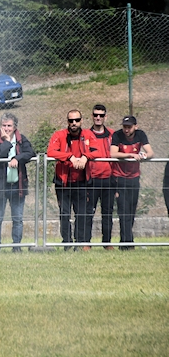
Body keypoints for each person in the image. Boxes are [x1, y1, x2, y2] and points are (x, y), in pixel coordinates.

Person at [0, 113, 35, 253]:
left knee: (18, 218)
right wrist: (7, 142)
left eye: (9, 126)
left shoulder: (21, 140)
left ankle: (16, 247)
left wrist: (17, 158)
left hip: (17, 185)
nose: (6, 128)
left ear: (15, 127)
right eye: (4, 126)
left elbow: (30, 152)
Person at [47, 110, 93, 250]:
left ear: (81, 121)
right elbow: (51, 151)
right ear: (67, 121)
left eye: (77, 120)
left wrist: (85, 156)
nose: (74, 123)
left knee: (81, 213)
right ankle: (67, 242)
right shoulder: (59, 135)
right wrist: (69, 157)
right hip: (64, 182)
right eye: (71, 120)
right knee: (65, 213)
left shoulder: (87, 135)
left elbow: (99, 150)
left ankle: (79, 242)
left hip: (81, 182)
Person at [110, 115, 153, 250]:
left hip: (134, 178)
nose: (126, 129)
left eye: (129, 127)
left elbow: (151, 152)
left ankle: (126, 241)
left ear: (136, 126)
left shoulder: (141, 135)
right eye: (124, 126)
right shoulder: (117, 135)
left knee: (131, 211)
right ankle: (128, 243)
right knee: (123, 211)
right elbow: (113, 153)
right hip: (119, 178)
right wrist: (130, 155)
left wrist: (144, 155)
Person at [84, 105, 115, 249]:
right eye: (96, 115)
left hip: (108, 179)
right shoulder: (85, 135)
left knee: (107, 212)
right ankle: (86, 243)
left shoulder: (112, 135)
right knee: (88, 212)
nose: (98, 118)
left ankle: (107, 243)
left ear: (105, 117)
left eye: (101, 115)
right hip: (92, 180)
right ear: (92, 116)